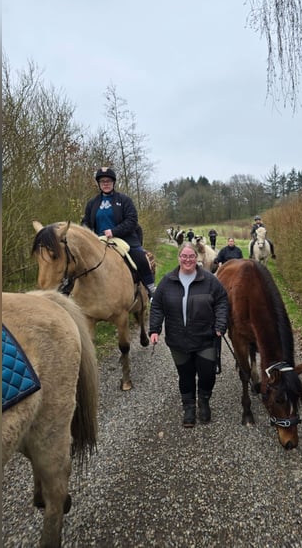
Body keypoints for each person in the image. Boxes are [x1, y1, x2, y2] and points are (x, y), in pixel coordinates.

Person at [149, 242, 229, 428]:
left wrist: (220, 325)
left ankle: (204, 401)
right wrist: (154, 329)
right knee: (185, 375)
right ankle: (189, 408)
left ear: (197, 258)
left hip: (205, 338)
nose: (187, 260)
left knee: (207, 374)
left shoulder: (209, 280)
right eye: (184, 256)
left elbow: (222, 301)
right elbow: (157, 306)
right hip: (178, 340)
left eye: (191, 256)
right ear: (179, 258)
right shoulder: (167, 281)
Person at [81, 166, 156, 298]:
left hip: (124, 239)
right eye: (103, 181)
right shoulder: (92, 203)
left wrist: (114, 231)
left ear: (113, 183)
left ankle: (151, 289)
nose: (106, 184)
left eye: (108, 181)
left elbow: (132, 220)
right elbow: (85, 223)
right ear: (99, 184)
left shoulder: (124, 200)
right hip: (99, 240)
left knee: (140, 258)